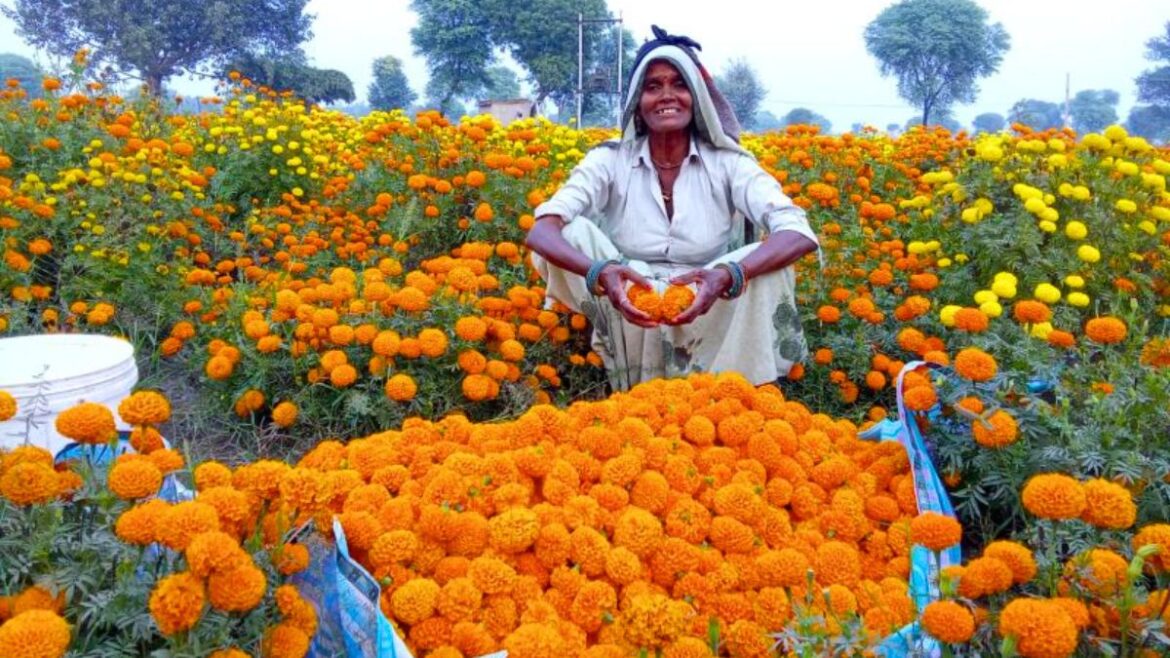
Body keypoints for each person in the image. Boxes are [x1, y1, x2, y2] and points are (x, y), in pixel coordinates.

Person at [525, 26, 819, 390]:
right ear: (637, 100)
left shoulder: (728, 162)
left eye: (679, 85)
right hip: (627, 294)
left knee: (771, 262)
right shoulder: (610, 159)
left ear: (695, 97)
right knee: (568, 231)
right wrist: (601, 273)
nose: (667, 96)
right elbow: (542, 229)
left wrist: (728, 275)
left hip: (706, 293)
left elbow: (797, 231)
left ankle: (738, 388)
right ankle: (632, 376)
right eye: (653, 87)